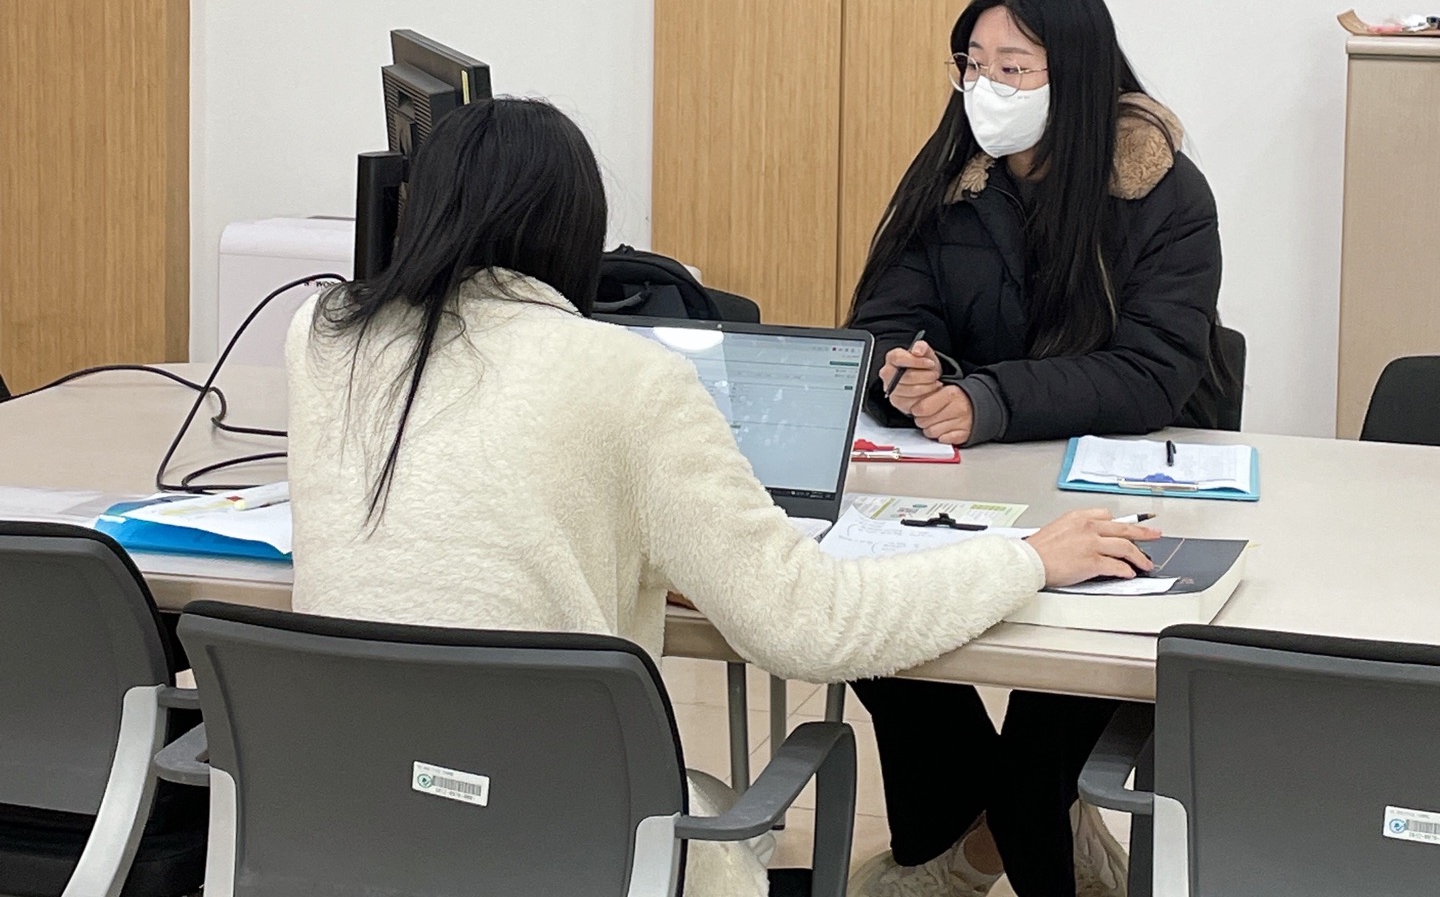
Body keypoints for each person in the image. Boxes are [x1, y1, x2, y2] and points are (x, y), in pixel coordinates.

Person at [285, 96, 1158, 897]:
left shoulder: (320, 340)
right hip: (568, 843)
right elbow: (809, 623)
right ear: (573, 231)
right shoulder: (628, 376)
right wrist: (1025, 560)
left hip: (347, 832)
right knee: (706, 802)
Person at [846, 0, 1228, 897]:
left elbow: (1152, 371)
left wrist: (989, 401)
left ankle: (1002, 836)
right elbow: (882, 319)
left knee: (1049, 719)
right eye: (972, 63)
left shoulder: (1164, 193)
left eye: (1013, 68)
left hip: (1120, 489)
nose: (986, 87)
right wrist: (907, 372)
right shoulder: (954, 174)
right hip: (968, 481)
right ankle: (976, 836)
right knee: (867, 626)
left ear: (1079, 75)